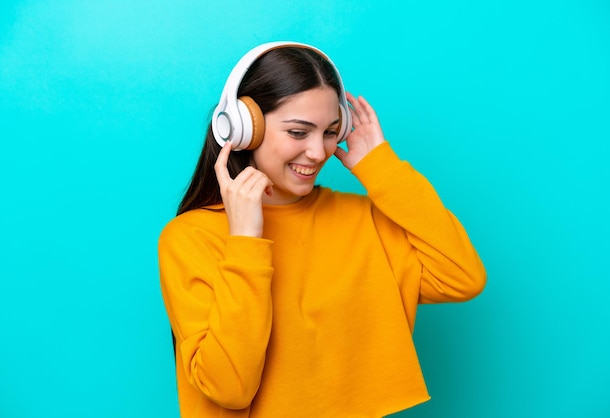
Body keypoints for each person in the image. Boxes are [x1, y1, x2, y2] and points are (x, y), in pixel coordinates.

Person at [158, 41, 486, 417]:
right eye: (298, 132)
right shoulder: (191, 237)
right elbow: (230, 390)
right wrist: (245, 242)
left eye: (331, 131)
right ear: (243, 129)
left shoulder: (363, 219)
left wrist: (381, 168)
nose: (319, 152)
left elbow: (463, 277)